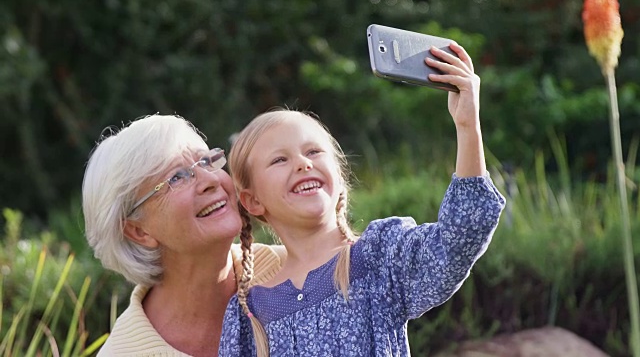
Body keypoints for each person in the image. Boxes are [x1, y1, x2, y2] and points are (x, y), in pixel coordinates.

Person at [218, 41, 506, 356]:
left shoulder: (381, 258)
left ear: (339, 178)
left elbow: (461, 236)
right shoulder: (250, 315)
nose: (303, 163)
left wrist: (467, 125)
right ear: (253, 201)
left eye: (314, 151)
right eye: (279, 160)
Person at [82, 114, 285, 356]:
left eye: (207, 162)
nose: (210, 180)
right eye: (177, 177)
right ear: (139, 231)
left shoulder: (303, 270)